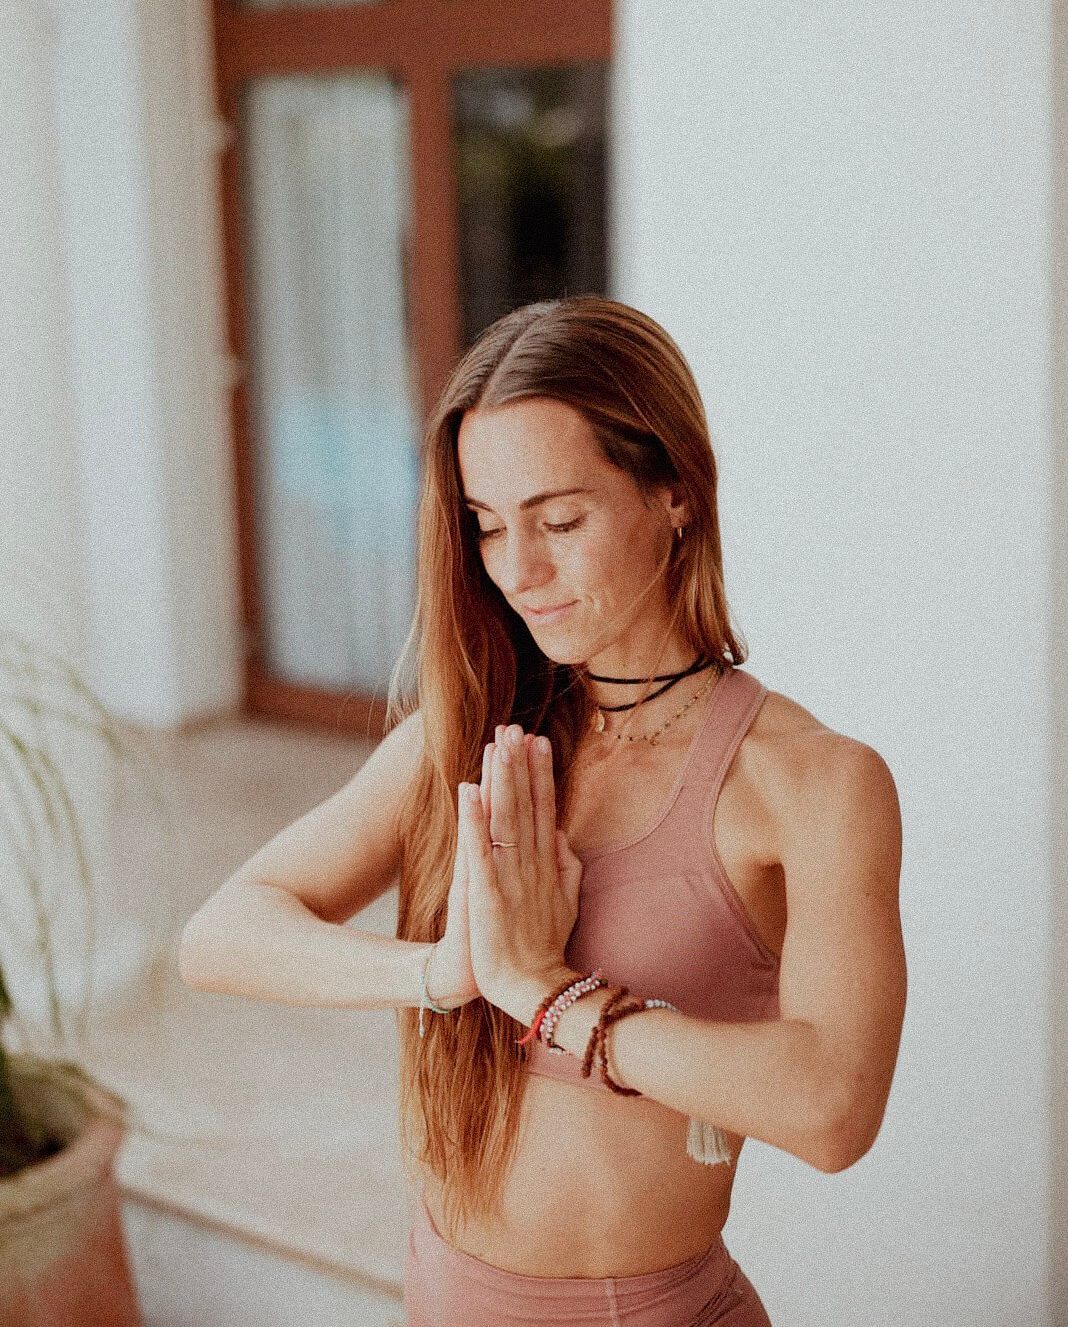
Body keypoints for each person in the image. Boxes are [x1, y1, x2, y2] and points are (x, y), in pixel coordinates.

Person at [179, 296, 907, 1327]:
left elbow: (834, 1108)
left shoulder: (812, 782)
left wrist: (547, 992)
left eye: (560, 519)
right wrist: (441, 973)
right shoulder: (464, 734)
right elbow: (219, 935)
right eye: (487, 526)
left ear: (674, 493)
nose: (518, 571)